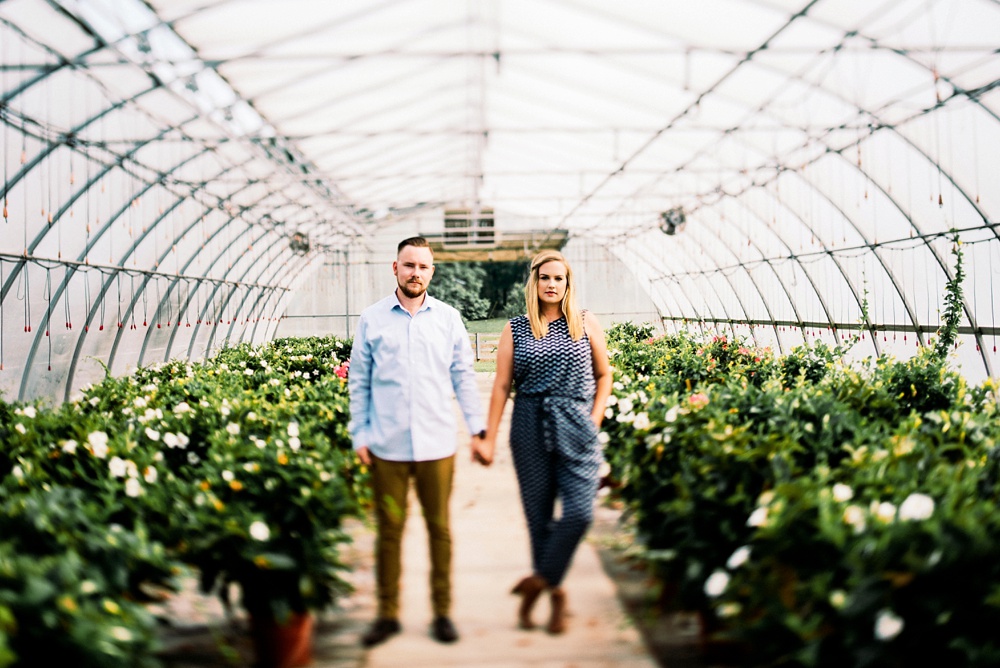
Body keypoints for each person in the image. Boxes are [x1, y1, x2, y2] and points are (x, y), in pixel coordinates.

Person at [348, 236, 490, 646]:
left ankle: (442, 612)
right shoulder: (372, 319)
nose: (415, 273)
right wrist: (361, 433)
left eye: (423, 266)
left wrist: (477, 430)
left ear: (432, 271)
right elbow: (359, 382)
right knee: (389, 530)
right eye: (408, 265)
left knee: (439, 528)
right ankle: (388, 613)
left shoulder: (447, 319)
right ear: (395, 268)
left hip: (436, 445)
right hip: (386, 446)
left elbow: (464, 377)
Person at [478, 249, 612, 634]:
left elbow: (605, 375)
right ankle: (556, 598)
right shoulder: (516, 329)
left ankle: (538, 582)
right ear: (533, 282)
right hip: (529, 426)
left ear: (568, 284)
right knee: (539, 522)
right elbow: (502, 386)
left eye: (559, 278)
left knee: (579, 515)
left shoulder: (585, 322)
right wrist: (488, 439)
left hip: (577, 424)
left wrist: (593, 420)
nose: (552, 284)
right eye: (545, 278)